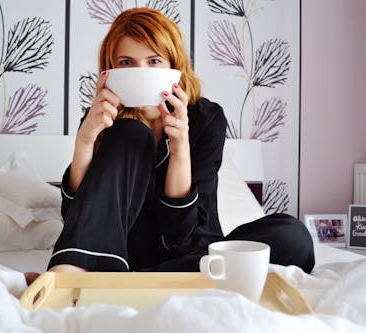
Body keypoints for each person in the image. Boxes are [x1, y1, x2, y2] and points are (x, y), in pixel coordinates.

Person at [44, 7, 314, 277]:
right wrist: (85, 140)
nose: (141, 71)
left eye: (154, 61)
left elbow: (181, 233)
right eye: (126, 62)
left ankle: (139, 280)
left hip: (196, 251)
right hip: (122, 251)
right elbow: (79, 221)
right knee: (130, 133)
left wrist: (180, 149)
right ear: (110, 70)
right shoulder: (103, 118)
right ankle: (84, 271)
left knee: (292, 237)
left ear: (174, 66)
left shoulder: (206, 118)